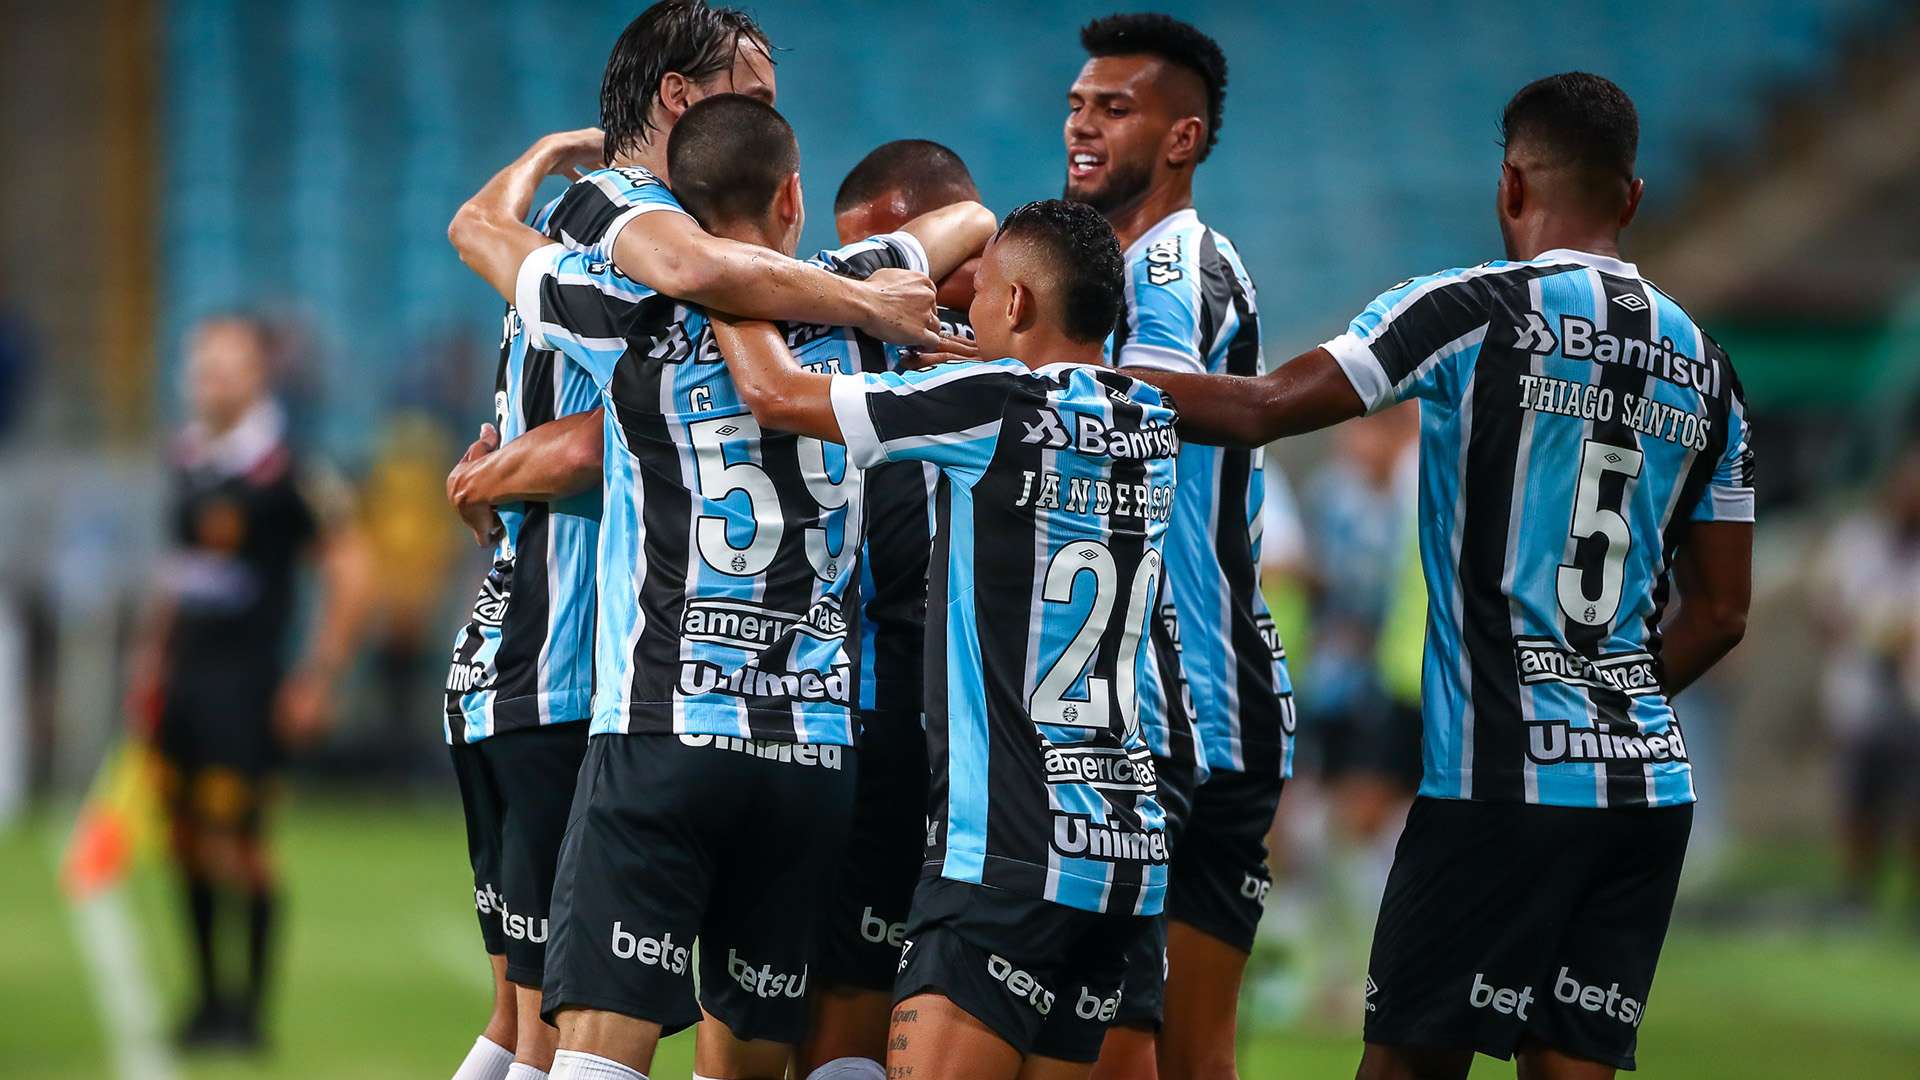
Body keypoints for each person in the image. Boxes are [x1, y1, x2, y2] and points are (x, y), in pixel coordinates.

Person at [1126, 72, 1754, 1079]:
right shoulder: (1707, 366)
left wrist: (1061, 378)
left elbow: (1258, 408)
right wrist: (1609, 704)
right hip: (1646, 790)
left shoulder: (1468, 310)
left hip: (1499, 782)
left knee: (1410, 1068)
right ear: (1631, 197)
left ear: (1510, 185)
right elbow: (1722, 611)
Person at [437, 4, 939, 1076]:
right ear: (681, 98)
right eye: (756, 97)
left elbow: (488, 240)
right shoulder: (629, 216)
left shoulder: (623, 297)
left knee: (548, 1034)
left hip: (640, 697)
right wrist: (867, 299)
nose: (772, 116)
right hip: (703, 701)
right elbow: (949, 230)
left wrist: (494, 468)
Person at [710, 198, 1177, 1080]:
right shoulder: (1150, 420)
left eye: (984, 294)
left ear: (1019, 308)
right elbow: (1041, 399)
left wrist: (724, 280)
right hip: (1120, 850)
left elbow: (773, 393)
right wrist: (966, 358)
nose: (965, 314)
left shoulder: (987, 406)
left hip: (1005, 852)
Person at [1061, 14, 1294, 1078]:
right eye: (1077, 104)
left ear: (1184, 137)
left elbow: (1130, 404)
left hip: (1190, 705)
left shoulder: (1170, 267)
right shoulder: (1112, 268)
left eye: (1115, 108)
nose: (1083, 125)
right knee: (1174, 1051)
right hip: (1182, 701)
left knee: (1127, 1044)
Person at [123, 315, 372, 1049]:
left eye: (227, 369)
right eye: (202, 368)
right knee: (185, 839)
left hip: (247, 685)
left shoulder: (289, 467)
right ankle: (205, 1003)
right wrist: (151, 662)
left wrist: (318, 675)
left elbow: (349, 568)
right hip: (185, 687)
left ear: (258, 376)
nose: (211, 382)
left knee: (242, 843)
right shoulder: (190, 457)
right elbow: (178, 577)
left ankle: (251, 1012)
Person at [797, 139, 986, 1076]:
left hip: (963, 741)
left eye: (894, 258)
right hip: (873, 719)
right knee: (828, 1002)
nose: (872, 292)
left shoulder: (1011, 374)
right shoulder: (888, 374)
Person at [1810, 442, 1920, 916]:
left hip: (1914, 693)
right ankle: (1855, 896)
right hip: (1863, 692)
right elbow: (1826, 609)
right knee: (1859, 799)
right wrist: (1869, 629)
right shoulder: (1858, 540)